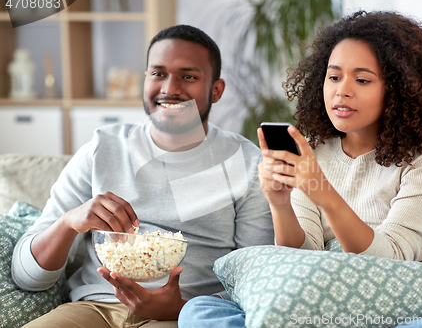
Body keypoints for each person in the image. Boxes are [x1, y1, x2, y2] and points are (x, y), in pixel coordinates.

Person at [178, 10, 422, 328]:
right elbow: (304, 253)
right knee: (200, 310)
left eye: (362, 79)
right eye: (333, 76)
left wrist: (323, 192)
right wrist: (279, 203)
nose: (341, 90)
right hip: (324, 307)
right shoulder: (314, 150)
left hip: (404, 310)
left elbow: (392, 259)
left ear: (400, 89)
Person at [11, 25, 274, 327]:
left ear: (216, 90)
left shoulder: (248, 162)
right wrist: (69, 222)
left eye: (188, 76)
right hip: (94, 309)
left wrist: (180, 308)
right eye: (158, 74)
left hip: (185, 316)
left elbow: (257, 277)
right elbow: (27, 277)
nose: (169, 88)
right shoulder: (102, 148)